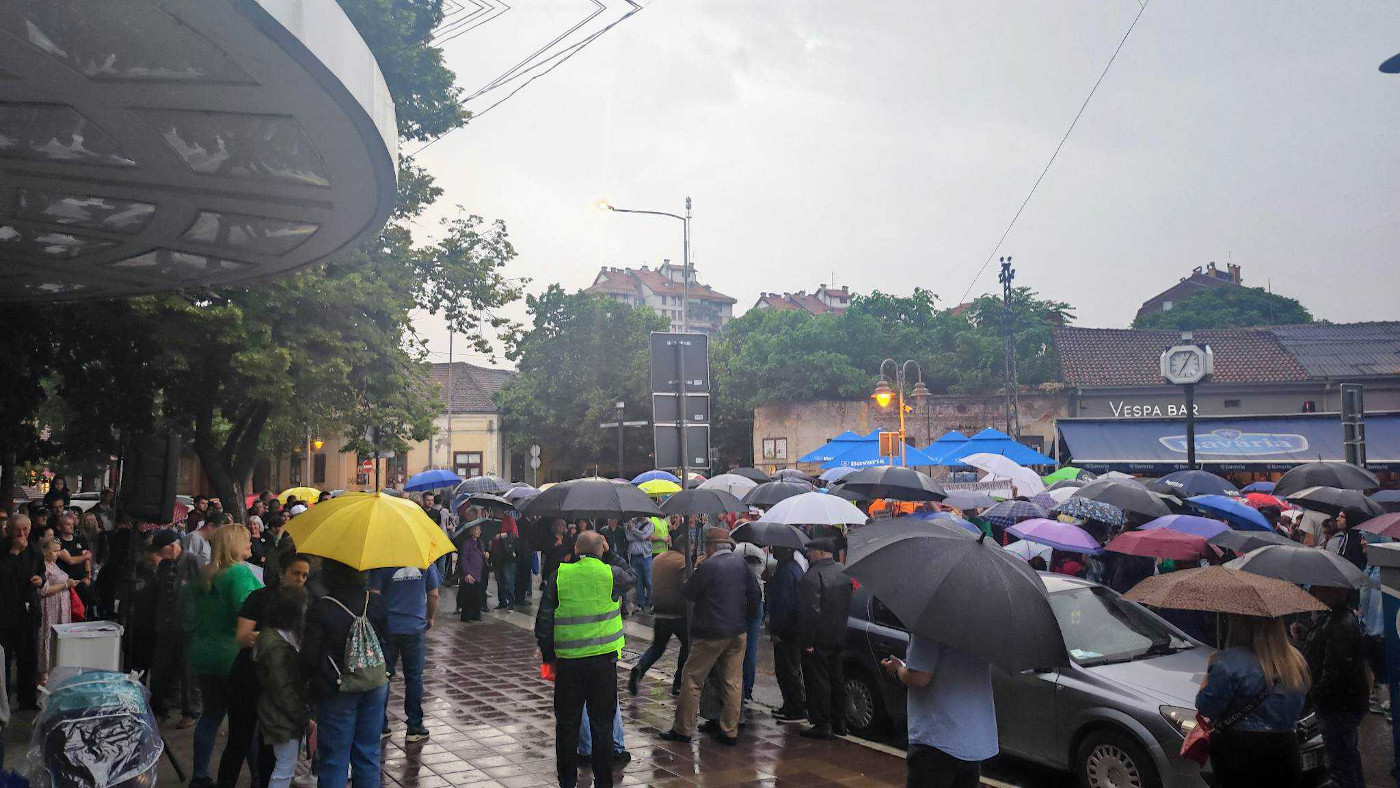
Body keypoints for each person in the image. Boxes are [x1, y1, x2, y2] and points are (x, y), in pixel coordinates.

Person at [534, 531, 635, 788]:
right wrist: (609, 552)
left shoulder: (561, 575)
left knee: (567, 725)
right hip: (603, 663)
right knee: (603, 725)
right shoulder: (610, 573)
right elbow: (632, 576)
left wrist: (549, 656)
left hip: (569, 663)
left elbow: (543, 621)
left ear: (576, 549)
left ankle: (567, 782)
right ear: (601, 549)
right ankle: (604, 781)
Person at [661, 527, 761, 746]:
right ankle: (730, 731)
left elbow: (688, 592)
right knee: (733, 681)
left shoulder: (708, 566)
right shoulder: (741, 564)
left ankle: (683, 729)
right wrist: (746, 619)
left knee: (692, 678)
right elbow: (756, 595)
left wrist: (696, 568)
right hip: (737, 631)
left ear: (711, 546)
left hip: (711, 632)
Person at [301, 558, 390, 788]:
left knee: (334, 759)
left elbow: (309, 657)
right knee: (368, 753)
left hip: (337, 686)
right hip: (375, 684)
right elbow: (388, 643)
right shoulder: (377, 602)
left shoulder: (322, 607)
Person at [187, 524, 264, 788]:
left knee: (210, 716)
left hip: (205, 652)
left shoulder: (207, 573)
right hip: (232, 656)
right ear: (234, 544)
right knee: (246, 721)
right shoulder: (239, 574)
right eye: (246, 541)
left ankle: (200, 775)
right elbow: (248, 613)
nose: (251, 545)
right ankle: (259, 777)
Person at [1196, 614, 1311, 787]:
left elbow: (1206, 707)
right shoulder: (1295, 661)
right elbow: (1300, 706)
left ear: (1239, 624)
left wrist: (1209, 674)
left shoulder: (1227, 662)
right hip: (1285, 749)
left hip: (1239, 752)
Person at [883, 632, 1000, 788]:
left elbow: (920, 678)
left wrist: (898, 668)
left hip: (937, 737)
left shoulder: (930, 620)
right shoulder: (984, 622)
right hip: (972, 741)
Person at [1302, 585, 1370, 788]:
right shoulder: (1332, 616)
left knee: (1340, 765)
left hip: (1339, 706)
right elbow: (1323, 649)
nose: (1313, 591)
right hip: (1342, 704)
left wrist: (1315, 695)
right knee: (1348, 757)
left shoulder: (1340, 623)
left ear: (1334, 590)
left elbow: (1335, 670)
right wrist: (1304, 633)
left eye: (1319, 587)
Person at [368, 561, 440, 742]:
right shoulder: (425, 560)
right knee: (414, 677)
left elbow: (374, 594)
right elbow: (433, 594)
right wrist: (429, 617)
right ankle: (415, 726)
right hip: (414, 627)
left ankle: (379, 725)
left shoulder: (382, 560)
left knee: (383, 677)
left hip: (388, 628)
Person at [254, 585, 311, 788]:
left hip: (278, 712)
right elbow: (281, 687)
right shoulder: (277, 646)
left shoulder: (276, 634)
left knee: (285, 765)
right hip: (281, 715)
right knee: (285, 767)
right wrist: (301, 714)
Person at [145, 528, 202, 728]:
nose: (160, 554)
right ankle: (161, 708)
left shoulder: (193, 561)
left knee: (188, 671)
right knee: (161, 669)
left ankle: (191, 711)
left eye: (162, 549)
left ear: (172, 546)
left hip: (188, 625)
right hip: (165, 625)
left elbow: (202, 591)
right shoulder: (163, 566)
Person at [797, 537, 853, 739]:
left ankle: (822, 723)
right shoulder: (844, 573)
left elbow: (810, 613)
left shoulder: (812, 576)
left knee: (819, 680)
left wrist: (808, 642)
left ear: (820, 552)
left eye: (810, 551)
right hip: (838, 635)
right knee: (836, 678)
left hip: (818, 639)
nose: (808, 554)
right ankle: (840, 722)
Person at [629, 532, 689, 697]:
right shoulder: (682, 562)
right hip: (678, 613)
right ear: (684, 548)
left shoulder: (659, 558)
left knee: (657, 646)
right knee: (687, 646)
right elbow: (687, 586)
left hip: (660, 612)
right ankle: (678, 683)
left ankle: (640, 668)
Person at [0, 516, 41, 711]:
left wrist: (39, 579)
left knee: (28, 658)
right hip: (6, 614)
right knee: (4, 661)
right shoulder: (3, 549)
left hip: (28, 612)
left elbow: (41, 571)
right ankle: (4, 700)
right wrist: (14, 553)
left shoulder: (34, 549)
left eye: (25, 530)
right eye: (18, 530)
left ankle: (27, 699)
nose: (21, 535)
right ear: (9, 531)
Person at [767, 545, 806, 722]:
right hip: (793, 629)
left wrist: (777, 630)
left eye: (777, 547)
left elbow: (784, 604)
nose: (773, 550)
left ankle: (795, 708)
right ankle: (790, 705)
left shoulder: (786, 572)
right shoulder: (792, 568)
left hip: (787, 631)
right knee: (789, 669)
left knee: (787, 669)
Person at [36, 535, 76, 686]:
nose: (58, 554)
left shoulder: (54, 565)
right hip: (50, 608)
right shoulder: (42, 566)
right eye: (54, 551)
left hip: (61, 607)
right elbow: (43, 590)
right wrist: (66, 585)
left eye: (59, 551)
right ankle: (44, 675)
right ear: (45, 551)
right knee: (48, 637)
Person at [733, 541, 767, 705]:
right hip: (757, 601)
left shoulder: (735, 551)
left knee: (734, 645)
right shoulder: (761, 554)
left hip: (737, 601)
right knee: (751, 647)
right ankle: (747, 690)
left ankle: (734, 686)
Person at [456, 521, 487, 621]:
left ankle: (476, 614)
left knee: (478, 595)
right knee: (468, 596)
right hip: (470, 573)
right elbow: (464, 559)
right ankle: (467, 615)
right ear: (472, 531)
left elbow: (481, 554)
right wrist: (467, 573)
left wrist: (486, 555)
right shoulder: (467, 544)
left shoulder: (480, 543)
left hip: (479, 572)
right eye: (477, 529)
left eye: (480, 529)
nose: (479, 531)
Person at [625, 517, 655, 612]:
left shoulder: (650, 524)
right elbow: (628, 537)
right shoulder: (630, 522)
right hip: (634, 556)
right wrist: (640, 535)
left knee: (649, 580)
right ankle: (640, 604)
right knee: (638, 582)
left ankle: (652, 602)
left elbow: (644, 536)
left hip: (646, 556)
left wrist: (633, 530)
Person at [490, 518, 520, 611]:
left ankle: (511, 603)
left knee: (508, 579)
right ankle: (502, 602)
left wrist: (501, 535)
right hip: (496, 554)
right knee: (499, 580)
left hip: (507, 555)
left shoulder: (509, 520)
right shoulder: (492, 521)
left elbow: (515, 535)